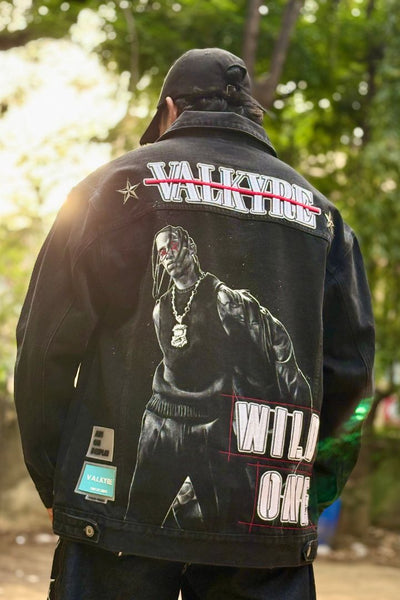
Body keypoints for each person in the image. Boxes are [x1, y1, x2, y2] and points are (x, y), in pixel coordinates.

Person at [15, 48, 374, 599]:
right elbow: (350, 373)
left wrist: (54, 479)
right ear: (251, 114)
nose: (168, 258)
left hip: (120, 521)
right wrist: (305, 493)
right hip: (257, 513)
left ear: (169, 110)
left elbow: (44, 353)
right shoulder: (323, 218)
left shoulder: (109, 189)